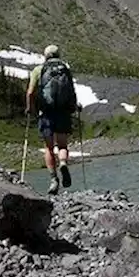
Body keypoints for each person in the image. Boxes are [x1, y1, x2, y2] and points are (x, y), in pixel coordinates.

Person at [26, 44, 80, 195]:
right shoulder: (65, 69)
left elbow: (30, 93)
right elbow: (71, 91)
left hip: (46, 113)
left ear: (45, 56)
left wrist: (31, 109)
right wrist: (74, 107)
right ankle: (63, 163)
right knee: (62, 146)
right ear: (58, 55)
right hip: (62, 112)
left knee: (49, 148)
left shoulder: (38, 70)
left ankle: (53, 179)